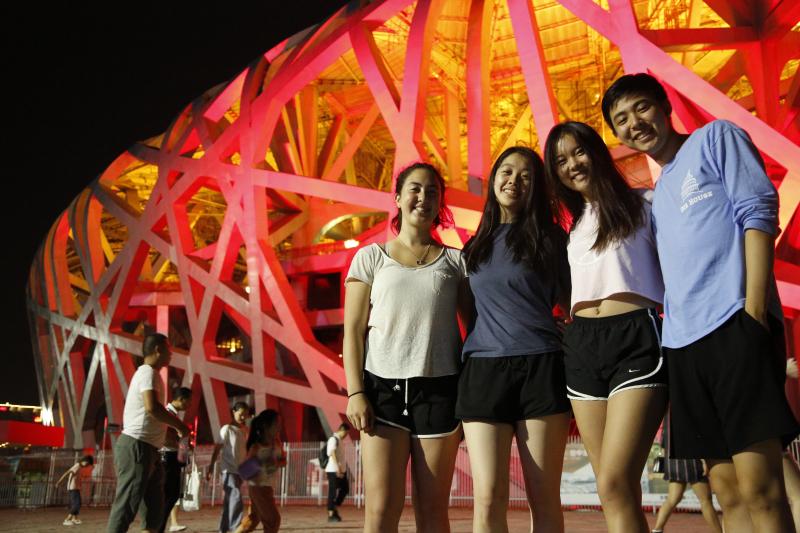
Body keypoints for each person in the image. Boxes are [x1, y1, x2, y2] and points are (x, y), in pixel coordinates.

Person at [602, 72, 800, 533]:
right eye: (622, 120)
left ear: (665, 106)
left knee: (761, 488)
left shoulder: (717, 138)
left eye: (642, 108)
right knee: (727, 491)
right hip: (685, 346)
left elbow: (757, 212)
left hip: (735, 325)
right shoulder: (658, 193)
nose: (635, 123)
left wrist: (753, 315)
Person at [543, 122, 668, 533]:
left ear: (597, 151)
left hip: (636, 337)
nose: (572, 164)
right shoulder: (573, 231)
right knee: (612, 487)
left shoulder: (645, 204)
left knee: (614, 481)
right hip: (582, 346)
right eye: (560, 160)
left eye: (578, 152)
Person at [343, 162, 468, 533]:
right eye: (415, 189)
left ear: (440, 202)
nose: (423, 198)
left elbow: (477, 327)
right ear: (397, 198)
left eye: (432, 191)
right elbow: (352, 331)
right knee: (382, 510)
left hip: (440, 389)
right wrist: (355, 392)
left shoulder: (457, 262)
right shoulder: (370, 258)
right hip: (382, 390)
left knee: (433, 512)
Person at [457, 146, 571, 533]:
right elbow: (467, 311)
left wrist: (564, 328)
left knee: (544, 498)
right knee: (488, 498)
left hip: (541, 367)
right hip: (483, 371)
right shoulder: (475, 246)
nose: (514, 181)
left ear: (536, 187)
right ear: (493, 181)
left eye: (526, 176)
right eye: (506, 171)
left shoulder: (554, 240)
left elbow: (572, 304)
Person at [107, 333, 190, 533]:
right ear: (157, 350)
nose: (171, 354)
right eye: (169, 349)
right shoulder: (147, 373)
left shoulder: (152, 375)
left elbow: (153, 418)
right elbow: (152, 408)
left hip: (150, 449)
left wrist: (171, 437)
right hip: (137, 446)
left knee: (154, 509)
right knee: (126, 505)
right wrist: (180, 427)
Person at [652, 416, 722, 533]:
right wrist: (704, 459)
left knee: (673, 498)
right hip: (691, 460)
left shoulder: (667, 414)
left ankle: (657, 529)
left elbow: (663, 441)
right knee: (705, 500)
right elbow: (696, 435)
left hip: (673, 460)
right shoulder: (686, 408)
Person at [233, 409, 285, 533]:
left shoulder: (277, 442)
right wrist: (261, 463)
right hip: (258, 487)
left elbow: (283, 461)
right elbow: (245, 471)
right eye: (276, 424)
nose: (279, 427)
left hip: (267, 487)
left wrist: (275, 463)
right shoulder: (256, 447)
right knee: (273, 520)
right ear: (266, 426)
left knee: (253, 519)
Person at [209, 402, 252, 533]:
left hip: (241, 470)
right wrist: (211, 466)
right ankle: (235, 528)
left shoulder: (245, 430)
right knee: (236, 496)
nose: (243, 417)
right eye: (241, 414)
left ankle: (223, 529)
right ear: (233, 412)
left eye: (245, 414)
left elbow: (246, 450)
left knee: (229, 501)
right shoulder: (226, 429)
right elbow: (217, 448)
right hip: (228, 469)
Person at [158, 387, 192, 533]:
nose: (189, 405)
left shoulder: (171, 414)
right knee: (170, 495)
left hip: (171, 457)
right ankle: (157, 527)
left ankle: (159, 527)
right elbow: (164, 437)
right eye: (188, 401)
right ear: (181, 399)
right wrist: (181, 446)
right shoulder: (167, 414)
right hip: (168, 457)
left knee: (170, 495)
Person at [55, 454, 94, 526]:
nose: (87, 466)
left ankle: (74, 518)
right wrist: (59, 482)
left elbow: (77, 477)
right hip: (72, 488)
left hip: (76, 488)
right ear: (84, 461)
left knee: (78, 504)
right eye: (87, 464)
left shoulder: (80, 467)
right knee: (76, 504)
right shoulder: (77, 466)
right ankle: (67, 519)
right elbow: (67, 473)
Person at [325, 423, 349, 522]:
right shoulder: (333, 439)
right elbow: (332, 453)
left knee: (345, 488)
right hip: (333, 469)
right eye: (346, 433)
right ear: (342, 430)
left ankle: (334, 506)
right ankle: (331, 514)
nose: (346, 435)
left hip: (341, 469)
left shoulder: (340, 440)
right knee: (332, 491)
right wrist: (337, 467)